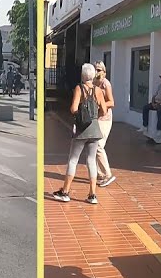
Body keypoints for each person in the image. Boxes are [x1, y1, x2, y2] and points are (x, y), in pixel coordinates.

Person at [50, 63, 109, 204]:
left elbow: (73, 108)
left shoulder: (79, 88)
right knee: (91, 161)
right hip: (95, 129)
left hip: (82, 129)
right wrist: (94, 115)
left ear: (83, 75)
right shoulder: (98, 90)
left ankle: (65, 192)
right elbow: (105, 110)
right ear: (93, 75)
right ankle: (92, 194)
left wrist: (82, 115)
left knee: (73, 159)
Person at [92, 61, 117, 188]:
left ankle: (108, 174)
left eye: (99, 70)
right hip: (96, 118)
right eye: (95, 69)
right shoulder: (94, 83)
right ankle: (100, 174)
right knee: (94, 145)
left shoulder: (106, 84)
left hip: (105, 118)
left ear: (104, 71)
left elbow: (111, 102)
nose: (97, 72)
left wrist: (100, 105)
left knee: (99, 146)